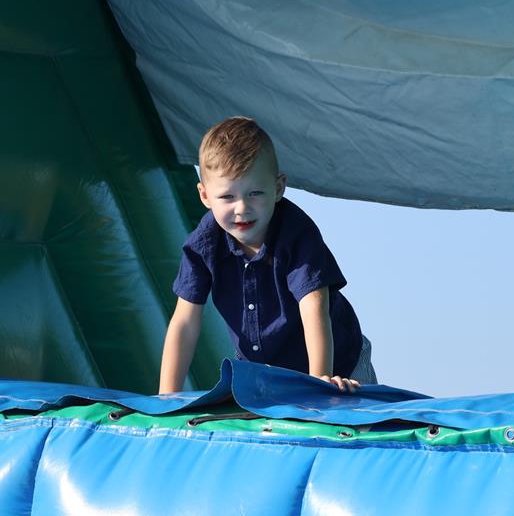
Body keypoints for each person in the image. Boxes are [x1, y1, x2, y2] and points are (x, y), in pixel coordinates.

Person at [159, 116, 376, 394]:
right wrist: (167, 396)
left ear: (278, 188)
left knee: (349, 414)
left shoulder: (296, 233)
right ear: (205, 196)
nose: (242, 208)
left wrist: (320, 380)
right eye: (227, 197)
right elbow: (185, 323)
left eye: (255, 193)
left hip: (340, 365)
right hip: (266, 373)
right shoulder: (204, 244)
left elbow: (313, 306)